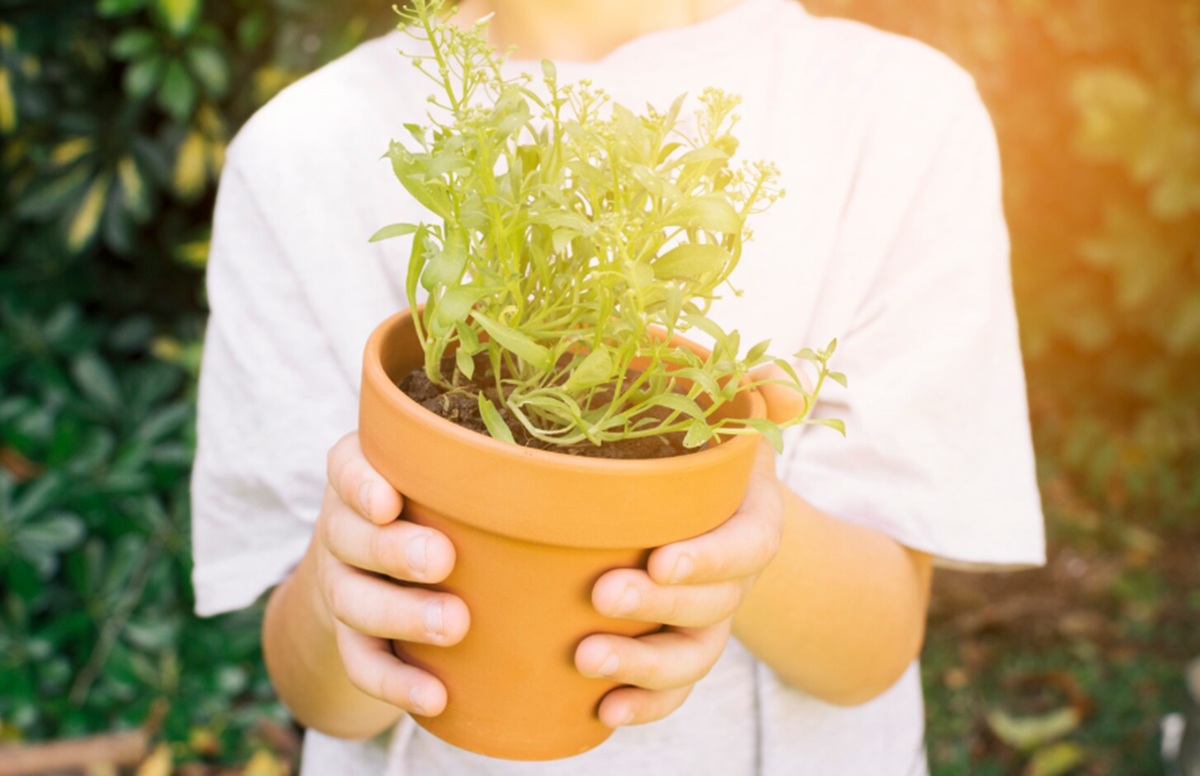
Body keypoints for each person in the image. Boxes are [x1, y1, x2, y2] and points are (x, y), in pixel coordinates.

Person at [190, 0, 1046, 773]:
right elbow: (316, 692)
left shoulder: (899, 116)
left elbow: (874, 644)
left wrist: (723, 503)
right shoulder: (299, 152)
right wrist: (351, 581)